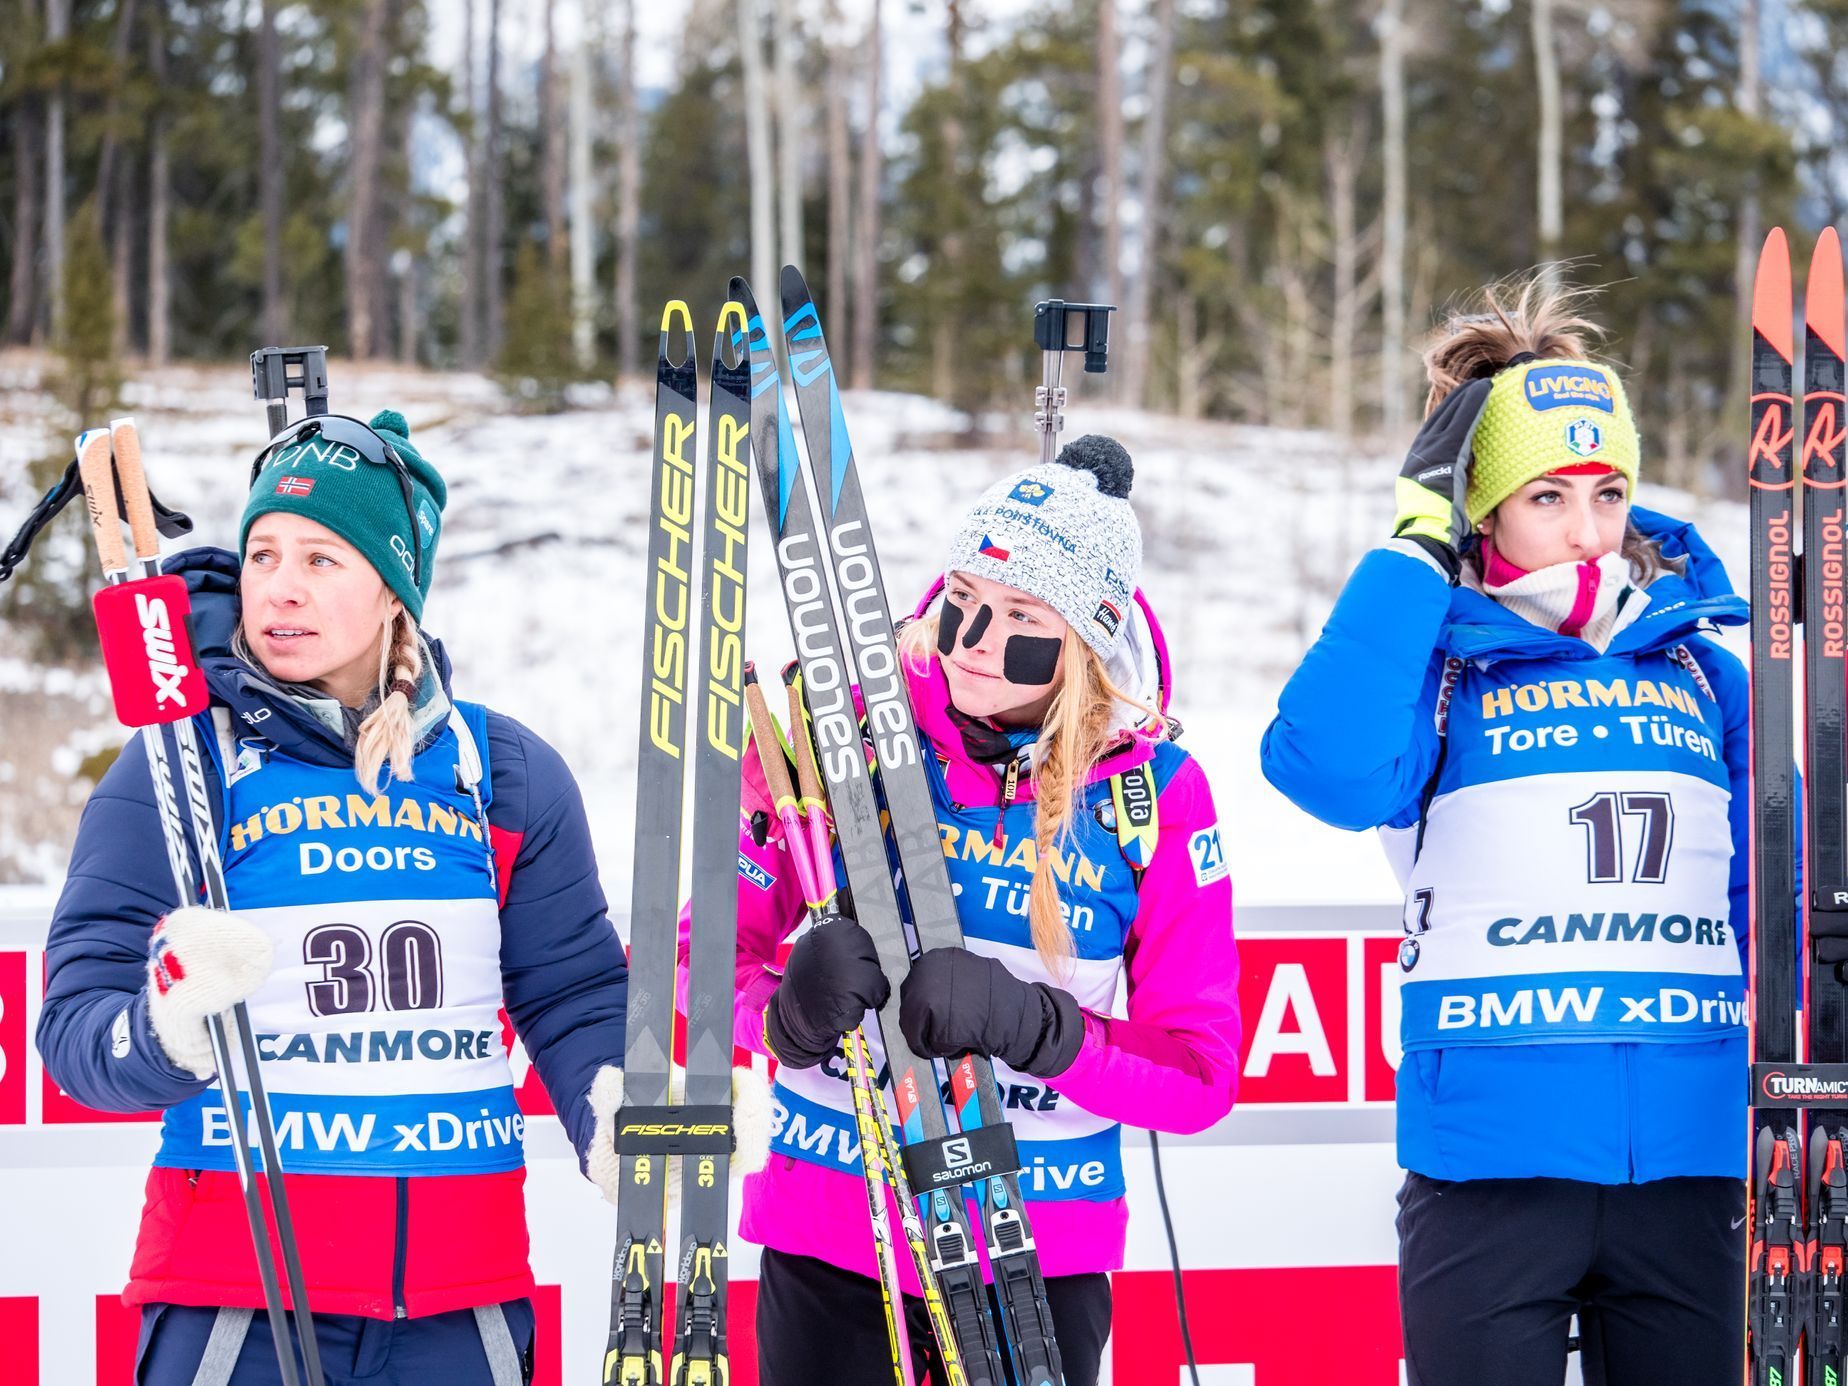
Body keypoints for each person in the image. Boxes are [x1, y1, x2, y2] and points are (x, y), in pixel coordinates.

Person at [37, 409, 632, 1385]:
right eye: (263, 551)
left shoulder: (501, 771)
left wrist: (612, 1104)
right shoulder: (183, 771)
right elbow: (74, 1030)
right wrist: (162, 1028)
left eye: (322, 559)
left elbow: (573, 994)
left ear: (395, 590)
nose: (278, 584)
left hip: (460, 1309)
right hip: (235, 1309)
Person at [1261, 279, 1751, 1385]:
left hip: (1691, 1164)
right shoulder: (1435, 672)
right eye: (1548, 497)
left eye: (1609, 492)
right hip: (1489, 1168)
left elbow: (1769, 898)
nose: (1587, 529)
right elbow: (1326, 770)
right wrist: (1412, 551)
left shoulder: (1704, 672)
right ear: (1480, 510)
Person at [734, 435, 1242, 1386]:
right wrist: (786, 1012)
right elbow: (702, 960)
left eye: (1017, 616)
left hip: (1033, 1251)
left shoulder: (1154, 794)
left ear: (1085, 639)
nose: (971, 642)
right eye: (962, 601)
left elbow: (1200, 1076)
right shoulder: (838, 731)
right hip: (837, 1234)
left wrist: (1037, 1028)